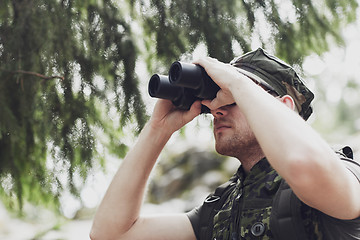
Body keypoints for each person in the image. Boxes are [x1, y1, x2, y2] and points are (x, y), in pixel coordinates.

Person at [90, 48, 360, 240]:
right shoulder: (220, 208)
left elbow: (302, 164)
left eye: (232, 99)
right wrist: (157, 130)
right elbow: (112, 233)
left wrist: (236, 81)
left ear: (285, 108)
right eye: (217, 99)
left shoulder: (341, 173)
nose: (217, 110)